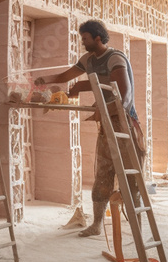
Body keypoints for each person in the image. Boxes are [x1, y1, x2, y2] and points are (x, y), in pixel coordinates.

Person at [35, 19, 144, 237]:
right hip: (106, 124)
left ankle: (137, 226)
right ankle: (96, 224)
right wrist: (42, 80)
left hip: (124, 125)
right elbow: (64, 77)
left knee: (131, 178)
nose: (82, 42)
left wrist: (106, 111)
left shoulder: (115, 58)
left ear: (97, 38)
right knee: (103, 173)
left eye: (85, 38)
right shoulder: (88, 60)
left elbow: (125, 96)